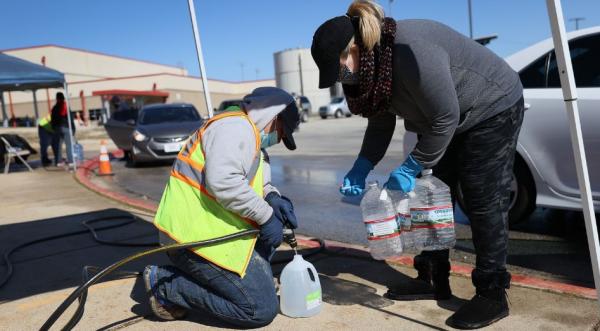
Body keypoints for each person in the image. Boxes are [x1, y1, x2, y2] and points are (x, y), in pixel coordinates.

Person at [311, 1, 524, 329]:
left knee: (483, 199)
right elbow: (381, 124)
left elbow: (445, 116)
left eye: (340, 67)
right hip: (447, 119)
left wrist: (413, 166)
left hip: (491, 107)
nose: (342, 78)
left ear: (352, 48)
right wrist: (362, 165)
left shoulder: (409, 52)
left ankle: (492, 293)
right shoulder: (372, 72)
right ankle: (432, 277)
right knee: (431, 198)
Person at [144, 87, 301, 327]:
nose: (278, 139)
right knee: (259, 308)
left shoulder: (250, 136)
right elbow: (224, 182)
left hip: (217, 232)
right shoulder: (234, 128)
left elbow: (258, 182)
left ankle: (237, 282)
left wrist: (272, 198)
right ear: (273, 116)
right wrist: (267, 217)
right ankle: (166, 284)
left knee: (263, 262)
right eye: (280, 132)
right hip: (191, 239)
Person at [50, 92, 75, 166]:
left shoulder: (54, 108)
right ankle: (71, 161)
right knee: (69, 145)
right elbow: (70, 118)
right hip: (66, 127)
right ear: (63, 98)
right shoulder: (66, 106)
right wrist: (73, 128)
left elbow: (52, 119)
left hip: (58, 128)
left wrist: (54, 128)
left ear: (57, 98)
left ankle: (59, 161)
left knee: (58, 146)